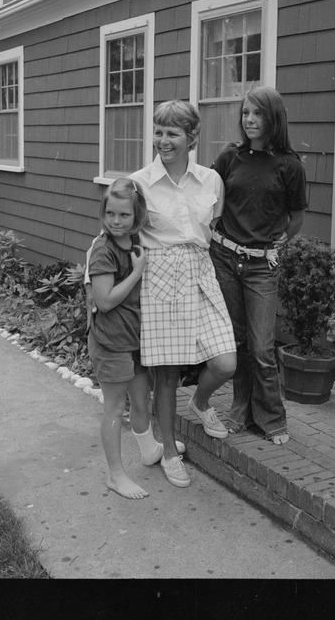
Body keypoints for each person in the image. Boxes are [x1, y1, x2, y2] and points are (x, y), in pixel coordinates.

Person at [131, 100, 237, 488]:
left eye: (172, 133)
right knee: (167, 374)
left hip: (199, 271)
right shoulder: (138, 183)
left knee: (225, 361)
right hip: (158, 276)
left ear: (192, 138)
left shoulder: (211, 180)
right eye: (158, 131)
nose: (163, 140)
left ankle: (201, 403)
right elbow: (118, 236)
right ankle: (170, 453)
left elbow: (213, 228)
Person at [210, 86, 308, 446]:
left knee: (263, 348)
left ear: (273, 118)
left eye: (257, 114)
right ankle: (240, 411)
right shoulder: (228, 158)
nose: (249, 120)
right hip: (224, 259)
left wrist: (283, 238)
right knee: (236, 342)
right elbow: (208, 197)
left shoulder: (289, 165)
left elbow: (295, 218)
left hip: (260, 267)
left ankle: (271, 418)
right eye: (245, 113)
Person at [88, 178, 179, 499]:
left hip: (135, 340)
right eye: (110, 213)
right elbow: (105, 300)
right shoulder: (104, 250)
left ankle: (150, 449)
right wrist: (137, 272)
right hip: (111, 342)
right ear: (103, 212)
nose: (115, 221)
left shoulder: (136, 241)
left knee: (142, 400)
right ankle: (115, 475)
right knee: (114, 408)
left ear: (136, 216)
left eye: (123, 215)